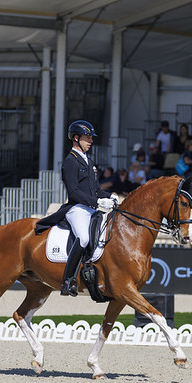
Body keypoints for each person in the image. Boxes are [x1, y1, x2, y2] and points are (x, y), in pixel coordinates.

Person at [35, 120, 115, 297]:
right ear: (76, 138)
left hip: (90, 209)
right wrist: (97, 203)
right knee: (84, 238)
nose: (91, 141)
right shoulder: (70, 162)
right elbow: (73, 192)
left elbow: (96, 189)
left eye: (91, 138)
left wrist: (110, 196)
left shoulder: (89, 161)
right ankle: (68, 280)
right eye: (87, 138)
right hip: (76, 208)